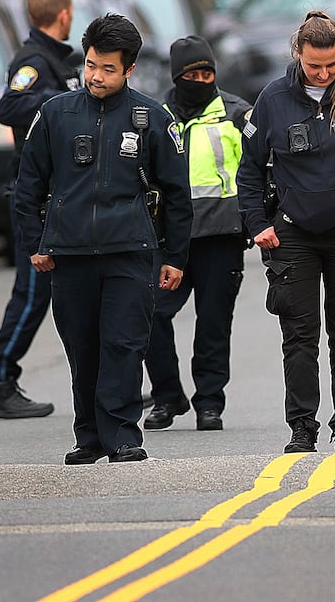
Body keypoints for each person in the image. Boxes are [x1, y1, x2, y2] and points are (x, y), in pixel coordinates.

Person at [13, 13, 193, 464]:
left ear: (129, 69)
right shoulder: (55, 113)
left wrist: (175, 255)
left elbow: (177, 192)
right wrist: (36, 243)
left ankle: (123, 436)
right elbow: (27, 186)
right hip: (69, 253)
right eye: (92, 65)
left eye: (108, 69)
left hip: (131, 250)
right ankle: (89, 436)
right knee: (82, 346)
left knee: (124, 343)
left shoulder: (151, 117)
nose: (96, 76)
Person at [236, 11, 335, 454]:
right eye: (315, 66)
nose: (324, 73)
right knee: (300, 335)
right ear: (298, 55)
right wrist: (258, 225)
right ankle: (302, 428)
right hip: (294, 234)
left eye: (331, 64)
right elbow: (249, 170)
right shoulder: (273, 98)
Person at [144, 36, 252, 432]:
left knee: (213, 323)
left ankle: (210, 403)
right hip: (168, 238)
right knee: (150, 314)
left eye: (208, 73)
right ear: (177, 77)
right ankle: (167, 396)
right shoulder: (155, 116)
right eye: (193, 74)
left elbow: (255, 173)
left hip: (222, 236)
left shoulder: (236, 115)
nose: (202, 80)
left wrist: (255, 223)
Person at [0, 0, 79, 420]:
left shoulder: (60, 59)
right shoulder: (34, 62)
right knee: (33, 291)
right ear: (63, 14)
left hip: (61, 190)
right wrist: (64, 101)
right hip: (33, 192)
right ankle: (0, 381)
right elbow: (10, 107)